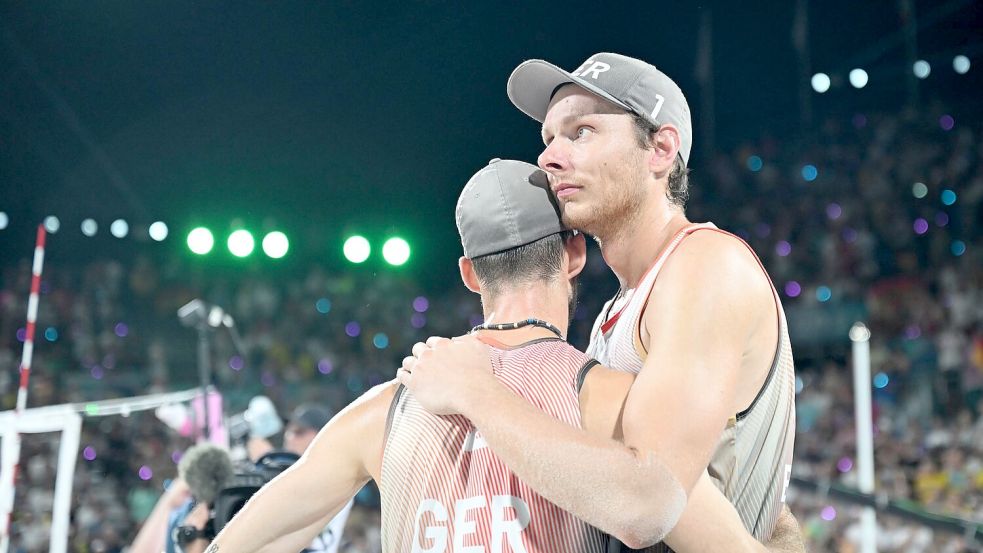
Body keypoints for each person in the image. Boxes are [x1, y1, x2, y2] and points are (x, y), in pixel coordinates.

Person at [200, 159, 787, 552]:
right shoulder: (608, 398)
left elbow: (237, 544)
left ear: (470, 275)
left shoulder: (386, 408)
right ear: (575, 254)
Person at [399, 53, 801, 551]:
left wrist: (476, 392)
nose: (549, 157)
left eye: (581, 131)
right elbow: (738, 487)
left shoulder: (705, 263)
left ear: (660, 148)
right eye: (549, 139)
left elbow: (646, 506)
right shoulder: (619, 308)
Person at [170, 404, 354, 553]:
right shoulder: (269, 472)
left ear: (322, 435)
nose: (289, 437)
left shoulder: (337, 477)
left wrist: (267, 456)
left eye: (299, 432)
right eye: (288, 431)